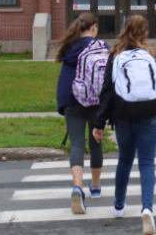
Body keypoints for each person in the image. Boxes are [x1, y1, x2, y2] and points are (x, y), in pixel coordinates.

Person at [93, 15, 156, 235]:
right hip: (150, 115)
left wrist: (99, 123)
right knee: (147, 162)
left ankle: (119, 206)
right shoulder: (153, 56)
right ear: (145, 33)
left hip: (123, 116)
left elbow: (107, 92)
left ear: (124, 30)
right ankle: (147, 209)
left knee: (125, 160)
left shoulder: (115, 56)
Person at [55, 12, 105, 215]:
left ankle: (77, 187)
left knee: (77, 143)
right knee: (96, 143)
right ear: (93, 27)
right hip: (96, 101)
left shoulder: (69, 47)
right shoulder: (101, 48)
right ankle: (95, 187)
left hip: (72, 99)